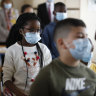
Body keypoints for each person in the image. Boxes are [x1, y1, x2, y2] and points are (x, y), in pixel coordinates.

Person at [30, 18, 96, 96]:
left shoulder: (91, 75)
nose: (86, 42)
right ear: (61, 43)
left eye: (86, 37)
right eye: (80, 37)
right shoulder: (46, 77)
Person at [3, 13, 52, 96]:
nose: (36, 33)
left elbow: (49, 75)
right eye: (31, 30)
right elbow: (6, 79)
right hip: (18, 93)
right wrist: (20, 94)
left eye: (38, 30)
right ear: (21, 31)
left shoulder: (44, 49)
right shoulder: (12, 50)